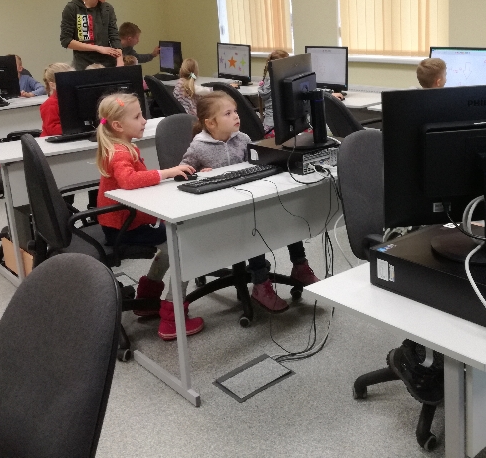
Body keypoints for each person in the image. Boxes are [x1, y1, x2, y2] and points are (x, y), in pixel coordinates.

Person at [180, 92, 320, 312]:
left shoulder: (243, 139)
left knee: (288, 212)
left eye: (235, 111)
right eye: (228, 113)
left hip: (247, 200)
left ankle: (300, 265)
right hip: (219, 211)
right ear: (210, 123)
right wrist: (198, 173)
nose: (236, 116)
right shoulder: (199, 147)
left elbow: (253, 164)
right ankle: (260, 283)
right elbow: (183, 171)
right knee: (255, 226)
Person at [95, 92, 204, 340]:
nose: (144, 121)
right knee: (182, 247)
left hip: (126, 223)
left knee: (170, 243)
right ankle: (172, 319)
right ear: (118, 125)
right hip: (125, 228)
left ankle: (147, 299)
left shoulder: (122, 146)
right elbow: (129, 180)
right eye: (137, 117)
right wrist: (167, 172)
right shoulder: (120, 152)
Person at [259, 50, 343, 137]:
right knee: (321, 134)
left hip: (269, 128)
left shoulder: (267, 82)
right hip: (278, 131)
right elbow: (305, 93)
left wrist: (328, 94)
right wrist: (329, 95)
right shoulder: (281, 84)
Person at [60, 0, 123, 70]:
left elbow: (114, 36)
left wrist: (120, 60)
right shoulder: (72, 8)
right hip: (83, 66)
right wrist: (98, 48)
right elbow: (66, 41)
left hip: (107, 64)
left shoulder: (107, 9)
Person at [39, 63, 73, 137]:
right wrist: (75, 127)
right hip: (51, 142)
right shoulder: (50, 104)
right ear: (52, 85)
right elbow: (52, 129)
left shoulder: (72, 99)